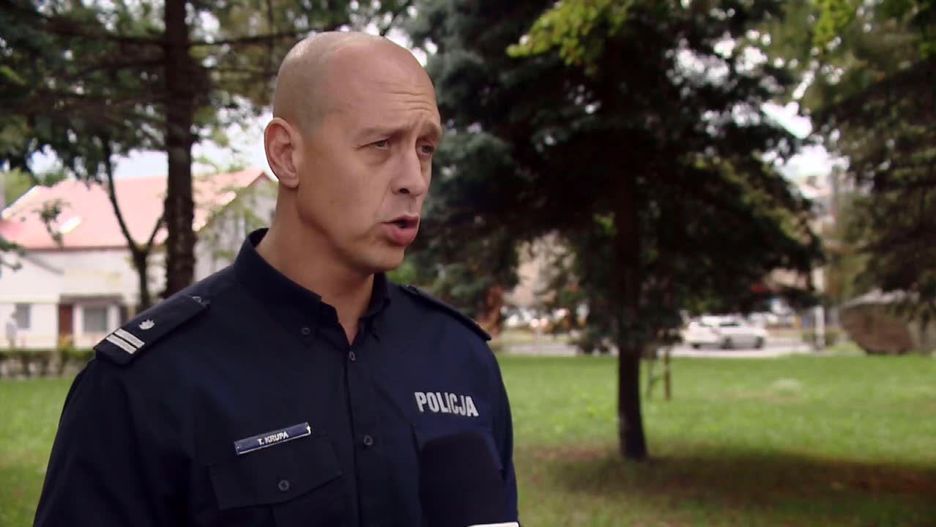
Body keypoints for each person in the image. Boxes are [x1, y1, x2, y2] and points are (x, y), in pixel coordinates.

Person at [34, 32, 518, 527]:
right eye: (380, 144)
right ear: (286, 154)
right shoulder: (147, 383)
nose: (413, 179)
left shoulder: (461, 359)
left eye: (425, 148)